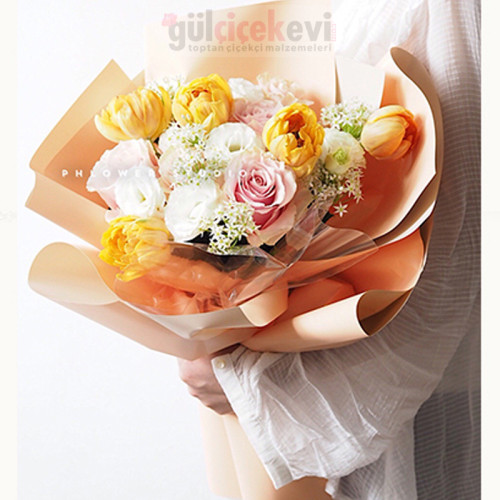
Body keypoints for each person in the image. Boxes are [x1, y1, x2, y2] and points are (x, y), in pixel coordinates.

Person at [178, 0, 481, 498]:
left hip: (369, 385)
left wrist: (257, 385)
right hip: (253, 357)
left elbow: (461, 253)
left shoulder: (445, 13)